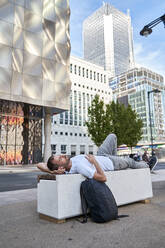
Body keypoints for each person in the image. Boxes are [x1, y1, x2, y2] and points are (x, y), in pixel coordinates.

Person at [37, 134, 152, 182]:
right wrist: (94, 162)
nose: (62, 155)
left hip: (102, 155)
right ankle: (148, 166)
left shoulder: (68, 163)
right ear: (61, 166)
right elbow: (102, 178)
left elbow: (39, 164)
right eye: (60, 159)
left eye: (60, 155)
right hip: (111, 163)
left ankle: (118, 159)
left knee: (112, 136)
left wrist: (52, 171)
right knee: (131, 162)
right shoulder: (80, 167)